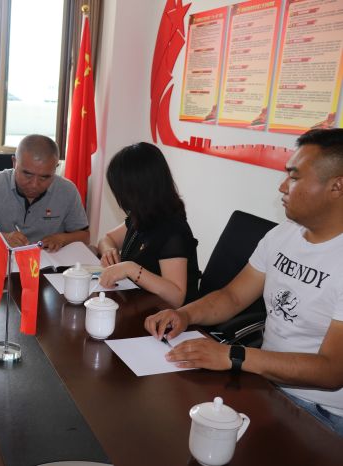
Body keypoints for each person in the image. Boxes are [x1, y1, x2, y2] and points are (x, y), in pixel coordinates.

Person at [145, 129, 343, 436]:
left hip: (321, 413)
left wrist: (233, 355)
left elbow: (331, 371)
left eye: (294, 177)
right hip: (266, 383)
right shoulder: (283, 234)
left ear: (336, 186)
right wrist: (184, 314)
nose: (282, 186)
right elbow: (233, 297)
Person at [97, 142, 199, 308]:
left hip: (167, 315)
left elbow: (176, 296)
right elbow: (106, 239)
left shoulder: (174, 231)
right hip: (139, 304)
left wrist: (130, 269)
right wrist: (109, 251)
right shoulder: (143, 215)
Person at [0, 134, 89, 251]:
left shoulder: (67, 191)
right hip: (2, 259)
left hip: (47, 262)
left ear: (55, 169)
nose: (34, 184)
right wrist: (4, 238)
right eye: (27, 174)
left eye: (44, 177)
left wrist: (62, 239)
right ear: (14, 162)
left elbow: (85, 236)